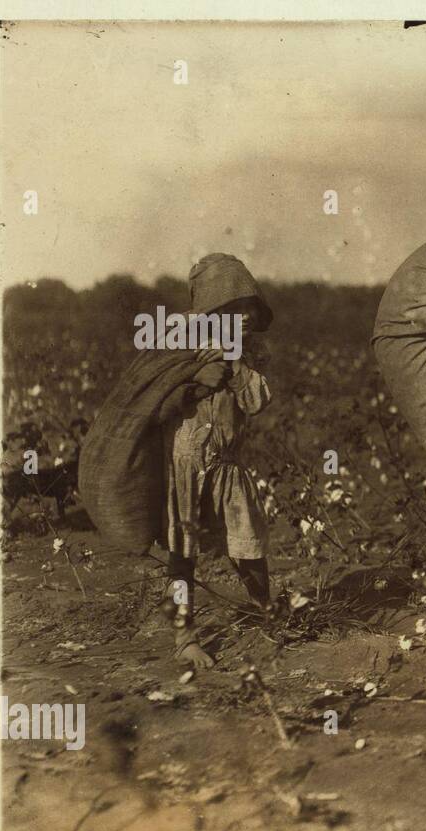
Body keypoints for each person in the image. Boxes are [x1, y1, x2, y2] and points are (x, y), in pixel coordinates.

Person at [161, 253, 276, 668]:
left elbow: (257, 401)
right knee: (182, 552)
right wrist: (192, 385)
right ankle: (184, 637)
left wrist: (233, 363)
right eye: (235, 309)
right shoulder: (180, 346)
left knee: (248, 543)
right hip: (184, 464)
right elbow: (153, 400)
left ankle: (268, 612)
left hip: (226, 465)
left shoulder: (241, 356)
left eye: (249, 308)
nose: (245, 317)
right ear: (214, 311)